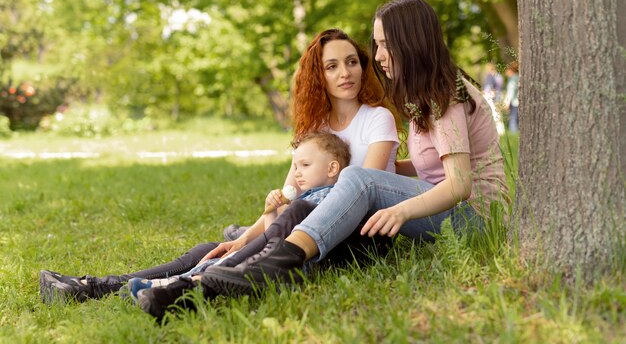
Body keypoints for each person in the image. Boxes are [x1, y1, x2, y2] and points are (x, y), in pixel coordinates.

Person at [39, 28, 401, 304]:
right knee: (210, 249)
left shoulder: (377, 119)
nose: (345, 73)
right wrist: (245, 237)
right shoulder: (315, 129)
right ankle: (93, 286)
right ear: (318, 76)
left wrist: (265, 230)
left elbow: (359, 193)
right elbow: (287, 196)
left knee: (290, 218)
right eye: (332, 66)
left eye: (352, 62)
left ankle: (186, 288)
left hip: (348, 235)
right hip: (300, 222)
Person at [196, 0, 511, 297]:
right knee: (357, 178)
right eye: (377, 45)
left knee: (360, 179)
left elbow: (459, 183)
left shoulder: (446, 96)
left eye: (386, 45)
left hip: (477, 219)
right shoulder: (426, 92)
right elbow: (435, 162)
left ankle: (280, 260)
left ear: (413, 42)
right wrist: (384, 173)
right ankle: (274, 248)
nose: (377, 56)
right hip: (455, 211)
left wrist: (399, 208)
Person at [132, 131, 352, 319]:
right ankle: (178, 285)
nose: (296, 173)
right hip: (269, 257)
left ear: (332, 169)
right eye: (295, 166)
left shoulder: (330, 201)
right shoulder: (304, 199)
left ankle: (178, 284)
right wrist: (271, 212)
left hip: (285, 266)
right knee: (219, 255)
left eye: (305, 165)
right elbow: (273, 237)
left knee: (230, 263)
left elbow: (285, 244)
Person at [503, 61, 519, 132]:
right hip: (518, 101)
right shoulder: (518, 77)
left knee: (513, 119)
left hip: (514, 102)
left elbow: (511, 92)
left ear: (510, 70)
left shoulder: (513, 79)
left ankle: (513, 134)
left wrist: (507, 103)